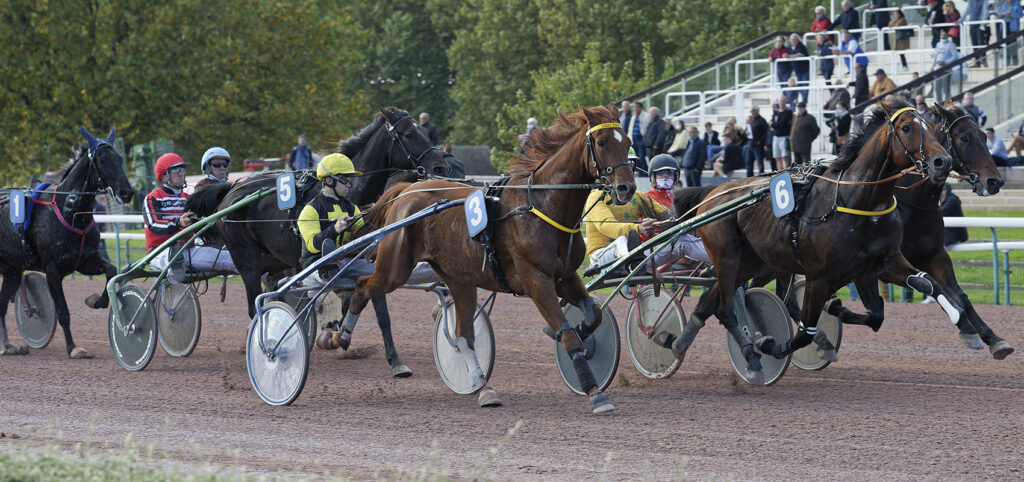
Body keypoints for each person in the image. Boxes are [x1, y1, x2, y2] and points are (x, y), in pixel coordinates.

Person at [305, 153, 436, 350]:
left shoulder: (351, 207)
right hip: (316, 267)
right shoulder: (311, 210)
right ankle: (330, 272)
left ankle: (434, 272)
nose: (349, 184)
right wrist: (334, 230)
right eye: (345, 180)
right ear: (329, 180)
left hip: (348, 264)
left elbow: (362, 237)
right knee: (329, 256)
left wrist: (380, 216)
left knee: (386, 269)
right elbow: (311, 244)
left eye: (350, 180)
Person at [144, 153, 235, 280]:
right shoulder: (153, 197)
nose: (181, 174)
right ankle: (175, 264)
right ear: (164, 176)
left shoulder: (188, 199)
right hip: (159, 251)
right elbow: (153, 224)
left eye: (182, 170)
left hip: (188, 250)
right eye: (176, 170)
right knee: (173, 256)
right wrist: (178, 223)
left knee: (231, 258)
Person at [584, 187, 711, 275]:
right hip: (601, 260)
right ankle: (637, 268)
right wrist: (638, 228)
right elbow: (605, 225)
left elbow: (666, 218)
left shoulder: (638, 197)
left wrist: (688, 222)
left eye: (630, 166)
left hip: (636, 256)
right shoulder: (595, 197)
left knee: (682, 240)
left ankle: (721, 259)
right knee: (622, 240)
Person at [930, 30, 963, 101]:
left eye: (945, 35)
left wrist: (946, 62)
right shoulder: (938, 44)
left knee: (946, 89)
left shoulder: (951, 45)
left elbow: (955, 56)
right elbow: (936, 56)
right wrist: (932, 67)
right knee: (937, 88)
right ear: (940, 36)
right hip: (937, 69)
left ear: (947, 36)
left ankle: (946, 104)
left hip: (946, 69)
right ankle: (939, 104)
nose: (943, 36)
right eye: (942, 35)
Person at [785, 33, 811, 102]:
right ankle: (802, 99)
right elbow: (788, 54)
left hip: (805, 69)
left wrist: (789, 56)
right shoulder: (790, 48)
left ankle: (804, 99)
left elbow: (800, 55)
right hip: (797, 70)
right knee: (800, 85)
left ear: (797, 40)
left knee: (805, 85)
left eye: (794, 39)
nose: (793, 41)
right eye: (791, 40)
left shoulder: (801, 46)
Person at [624, 102, 649, 171]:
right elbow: (630, 128)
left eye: (637, 107)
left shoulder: (646, 116)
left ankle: (645, 173)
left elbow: (646, 127)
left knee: (641, 157)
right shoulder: (633, 116)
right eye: (634, 107)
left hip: (641, 138)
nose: (635, 109)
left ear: (641, 108)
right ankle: (640, 173)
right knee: (635, 157)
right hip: (633, 139)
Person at [770, 96, 793, 170]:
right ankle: (779, 174)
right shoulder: (776, 111)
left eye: (783, 101)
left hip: (784, 137)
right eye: (780, 101)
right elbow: (774, 122)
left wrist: (773, 125)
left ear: (786, 102)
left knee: (785, 157)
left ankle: (786, 174)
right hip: (776, 137)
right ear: (778, 102)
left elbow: (782, 123)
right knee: (777, 158)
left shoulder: (788, 112)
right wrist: (775, 124)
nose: (782, 103)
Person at [746, 106, 769, 176]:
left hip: (758, 145)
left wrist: (761, 141)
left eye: (753, 111)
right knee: (749, 162)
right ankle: (749, 178)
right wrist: (746, 132)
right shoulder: (751, 120)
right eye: (751, 111)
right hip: (750, 144)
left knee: (759, 162)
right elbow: (747, 129)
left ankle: (761, 176)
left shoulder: (762, 120)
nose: (751, 112)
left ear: (757, 111)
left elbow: (766, 133)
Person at [997, 0, 1022, 66]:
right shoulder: (1005, 4)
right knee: (1006, 44)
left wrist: (1011, 15)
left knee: (1013, 45)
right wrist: (1000, 15)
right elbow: (1002, 12)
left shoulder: (1017, 4)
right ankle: (1007, 62)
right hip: (1005, 26)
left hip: (1013, 27)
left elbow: (1020, 14)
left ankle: (1014, 62)